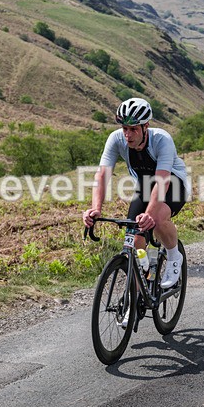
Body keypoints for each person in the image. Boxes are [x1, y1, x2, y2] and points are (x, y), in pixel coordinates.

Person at [82, 98, 190, 289]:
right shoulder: (116, 139)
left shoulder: (162, 139)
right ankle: (142, 285)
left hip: (172, 183)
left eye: (133, 129)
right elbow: (102, 175)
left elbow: (162, 181)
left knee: (156, 219)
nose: (128, 134)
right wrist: (95, 209)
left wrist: (149, 214)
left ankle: (174, 257)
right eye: (125, 128)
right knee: (135, 239)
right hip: (145, 185)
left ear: (145, 126)